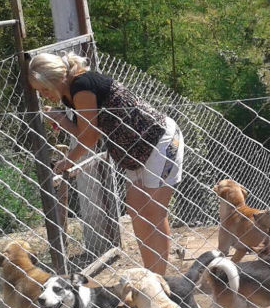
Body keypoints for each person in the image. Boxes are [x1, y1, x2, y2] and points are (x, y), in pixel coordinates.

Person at [28, 51, 183, 276]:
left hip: (159, 142)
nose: (43, 95)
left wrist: (67, 162)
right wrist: (62, 120)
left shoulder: (81, 86)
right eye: (39, 91)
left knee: (153, 212)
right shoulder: (70, 94)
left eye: (44, 88)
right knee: (137, 210)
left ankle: (158, 282)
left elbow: (89, 137)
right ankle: (152, 275)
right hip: (135, 152)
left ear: (56, 79)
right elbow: (91, 133)